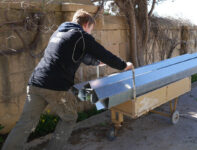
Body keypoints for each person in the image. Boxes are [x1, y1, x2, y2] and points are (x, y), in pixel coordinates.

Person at [2, 9, 133, 150]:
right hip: (55, 87)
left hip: (35, 82)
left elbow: (81, 55)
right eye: (91, 29)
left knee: (25, 123)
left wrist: (97, 62)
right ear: (86, 24)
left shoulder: (60, 32)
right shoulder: (81, 36)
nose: (90, 33)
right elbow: (105, 54)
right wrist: (124, 65)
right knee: (69, 117)